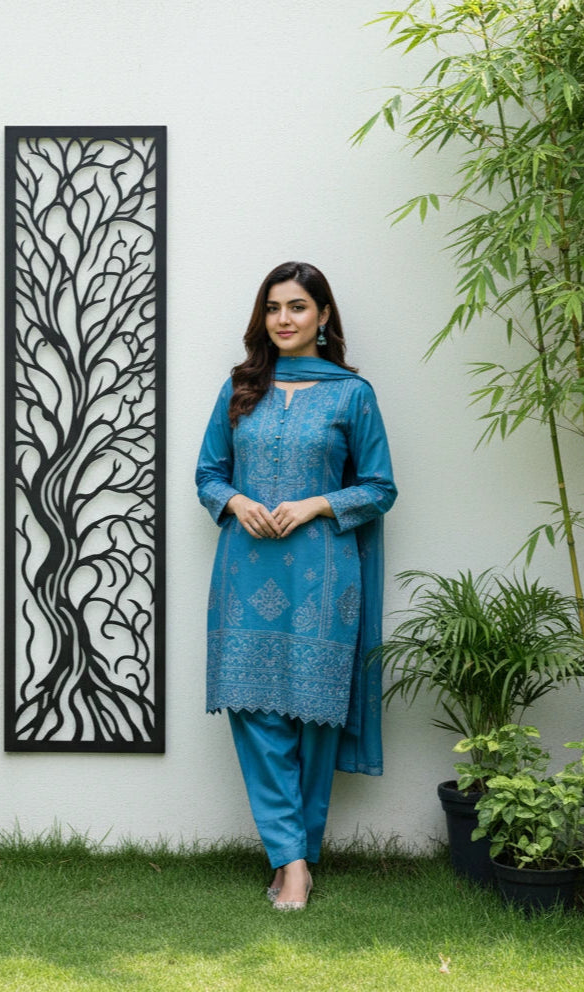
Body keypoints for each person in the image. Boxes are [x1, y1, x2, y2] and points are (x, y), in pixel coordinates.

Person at [195, 261, 397, 911]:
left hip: (323, 574)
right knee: (254, 714)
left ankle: (295, 861)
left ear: (322, 317)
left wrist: (314, 505)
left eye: (297, 307)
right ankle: (292, 861)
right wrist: (233, 502)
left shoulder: (351, 395)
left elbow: (378, 487)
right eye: (273, 308)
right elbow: (206, 473)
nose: (283, 319)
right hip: (245, 569)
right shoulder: (240, 388)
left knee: (312, 719)